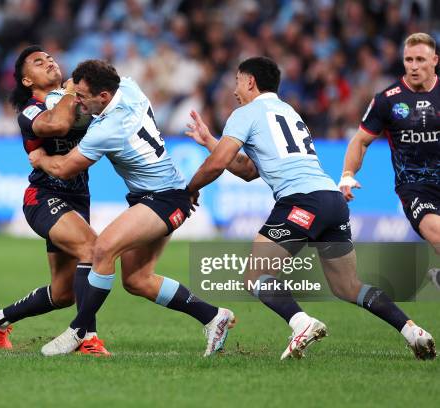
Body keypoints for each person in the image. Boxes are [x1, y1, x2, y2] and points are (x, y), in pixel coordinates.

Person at [185, 56, 435, 360]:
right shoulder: (289, 112)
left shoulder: (246, 112)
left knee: (254, 276)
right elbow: (250, 170)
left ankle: (301, 323)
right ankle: (411, 330)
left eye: (237, 80)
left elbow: (219, 164)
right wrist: (210, 140)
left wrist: (189, 189)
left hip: (301, 201)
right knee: (348, 286)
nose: (235, 89)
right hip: (331, 200)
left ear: (250, 81)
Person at [29, 60, 235, 357]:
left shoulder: (106, 129)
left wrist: (40, 160)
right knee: (137, 280)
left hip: (163, 198)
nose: (78, 101)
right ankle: (214, 316)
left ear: (102, 97)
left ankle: (78, 330)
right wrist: (72, 88)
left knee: (102, 249)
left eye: (83, 96)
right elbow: (95, 81)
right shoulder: (129, 87)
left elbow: (63, 168)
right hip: (162, 193)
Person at [0, 46, 109, 356]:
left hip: (78, 197)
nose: (49, 62)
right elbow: (58, 126)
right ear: (26, 80)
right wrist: (70, 92)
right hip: (44, 196)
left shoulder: (76, 99)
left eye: (50, 58)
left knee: (63, 293)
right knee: (92, 248)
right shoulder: (30, 111)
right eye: (39, 62)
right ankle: (86, 338)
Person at [338, 33, 439, 286]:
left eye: (420, 60)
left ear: (435, 60)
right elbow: (360, 141)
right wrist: (348, 174)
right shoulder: (387, 100)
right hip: (415, 189)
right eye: (408, 60)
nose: (414, 66)